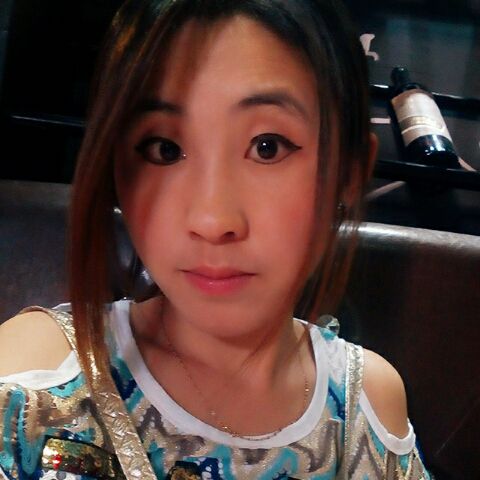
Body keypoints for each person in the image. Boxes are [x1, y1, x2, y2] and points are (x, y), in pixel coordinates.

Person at [0, 0, 431, 478]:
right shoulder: (33, 381)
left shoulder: (368, 409)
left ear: (349, 173)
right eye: (165, 149)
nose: (211, 219)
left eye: (267, 147)